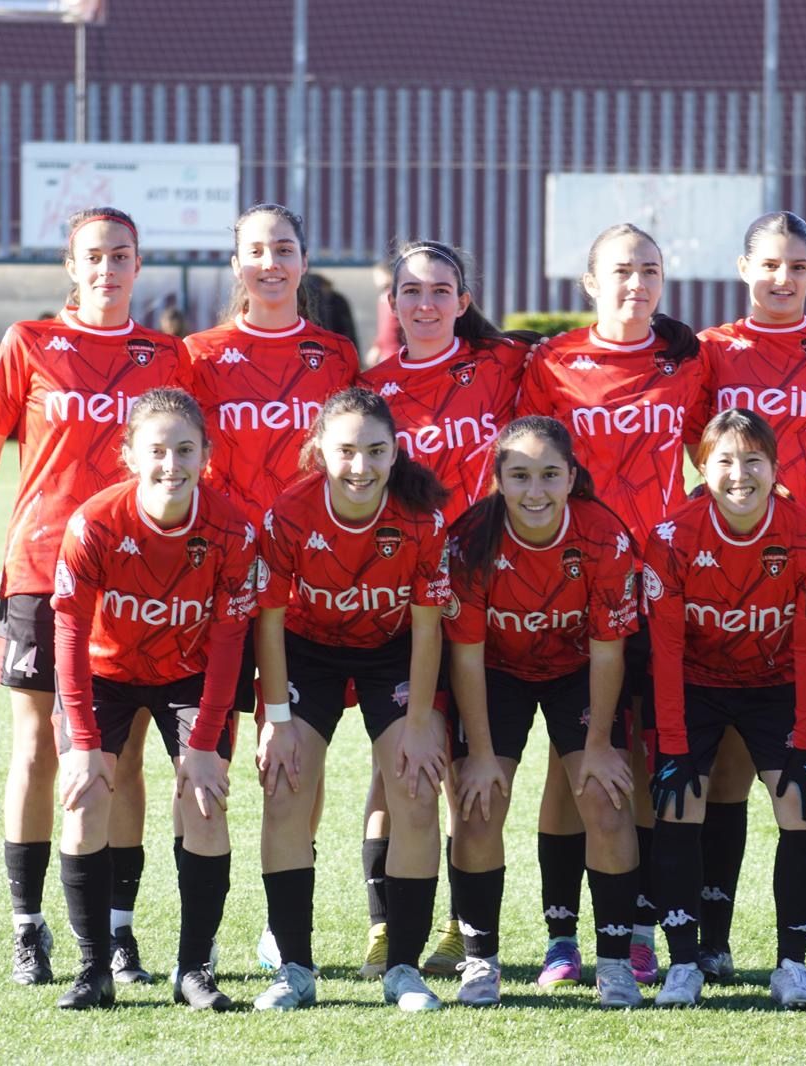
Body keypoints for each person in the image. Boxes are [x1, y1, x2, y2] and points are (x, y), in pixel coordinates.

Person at [0, 206, 189, 988]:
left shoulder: (166, 355)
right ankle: (28, 928)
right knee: (39, 747)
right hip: (39, 569)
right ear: (71, 265)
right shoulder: (28, 343)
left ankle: (118, 934)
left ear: (138, 263)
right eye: (93, 256)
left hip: (135, 575)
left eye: (121, 255)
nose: (107, 269)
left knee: (120, 758)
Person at [516, 222, 710, 988]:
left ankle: (632, 933)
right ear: (589, 282)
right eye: (621, 270)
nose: (636, 283)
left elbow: (713, 453)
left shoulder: (689, 363)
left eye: (650, 270)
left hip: (657, 596)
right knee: (571, 771)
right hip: (568, 591)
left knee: (636, 767)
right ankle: (562, 940)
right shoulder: (552, 364)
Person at [691, 211, 806, 986]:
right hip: (729, 574)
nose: (783, 278)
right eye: (770, 264)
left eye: (797, 266)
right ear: (744, 268)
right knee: (729, 766)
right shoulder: (711, 352)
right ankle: (716, 939)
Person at [184, 203, 359, 972]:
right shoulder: (199, 355)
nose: (271, 263)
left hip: (310, 580)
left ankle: (282, 898)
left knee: (296, 755)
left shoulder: (336, 356)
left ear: (303, 259)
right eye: (256, 251)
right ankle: (203, 927)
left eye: (284, 248)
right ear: (237, 265)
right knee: (215, 752)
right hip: (220, 581)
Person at [355, 239, 533, 979]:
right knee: (393, 764)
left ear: (464, 300)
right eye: (411, 292)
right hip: (403, 597)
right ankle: (382, 925)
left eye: (440, 291)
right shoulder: (369, 388)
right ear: (391, 303)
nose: (424, 304)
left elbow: (579, 357)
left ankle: (463, 930)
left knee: (466, 768)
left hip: (487, 586)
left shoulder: (503, 366)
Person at [47, 387, 258, 1010]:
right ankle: (95, 970)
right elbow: (70, 634)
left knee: (205, 799)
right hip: (105, 673)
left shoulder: (232, 530)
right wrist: (83, 746)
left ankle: (193, 970)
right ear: (129, 456)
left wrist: (203, 746)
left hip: (191, 677)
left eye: (185, 450)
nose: (172, 464)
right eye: (157, 450)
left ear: (206, 456)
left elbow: (228, 644)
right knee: (86, 798)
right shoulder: (95, 523)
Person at [251, 387, 452, 1013]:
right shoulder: (289, 513)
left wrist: (420, 722)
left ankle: (403, 971)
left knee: (415, 790)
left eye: (375, 451)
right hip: (305, 652)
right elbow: (269, 621)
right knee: (285, 785)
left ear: (396, 454)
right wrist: (277, 720)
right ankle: (295, 970)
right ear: (319, 452)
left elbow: (427, 624)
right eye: (345, 451)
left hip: (391, 651)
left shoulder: (421, 519)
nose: (360, 467)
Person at [445, 416, 643, 1008]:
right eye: (521, 475)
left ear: (572, 477)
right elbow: (468, 656)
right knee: (478, 809)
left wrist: (602, 744)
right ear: (498, 479)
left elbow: (610, 650)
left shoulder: (604, 537)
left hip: (578, 672)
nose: (536, 490)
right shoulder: (470, 540)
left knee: (606, 804)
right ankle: (480, 963)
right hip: (497, 675)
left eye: (550, 475)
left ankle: (613, 965)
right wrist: (480, 755)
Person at [644, 409, 806, 1009]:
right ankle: (683, 964)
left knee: (802, 809)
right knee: (679, 805)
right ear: (702, 468)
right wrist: (673, 746)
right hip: (695, 685)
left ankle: (791, 966)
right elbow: (666, 652)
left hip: (775, 684)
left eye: (753, 460)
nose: (739, 474)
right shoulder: (671, 538)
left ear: (776, 469)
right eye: (724, 460)